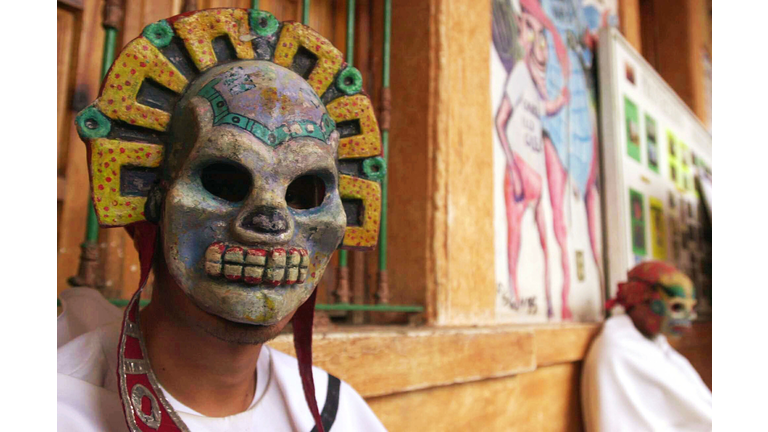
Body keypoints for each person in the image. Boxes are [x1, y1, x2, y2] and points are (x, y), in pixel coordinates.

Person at [58, 8, 387, 432]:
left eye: (305, 192)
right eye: (224, 180)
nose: (273, 224)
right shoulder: (49, 408)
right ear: (154, 196)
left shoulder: (342, 416)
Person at [581, 261, 712, 431]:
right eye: (677, 306)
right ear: (641, 301)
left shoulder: (658, 346)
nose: (689, 317)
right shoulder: (619, 351)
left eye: (691, 308)